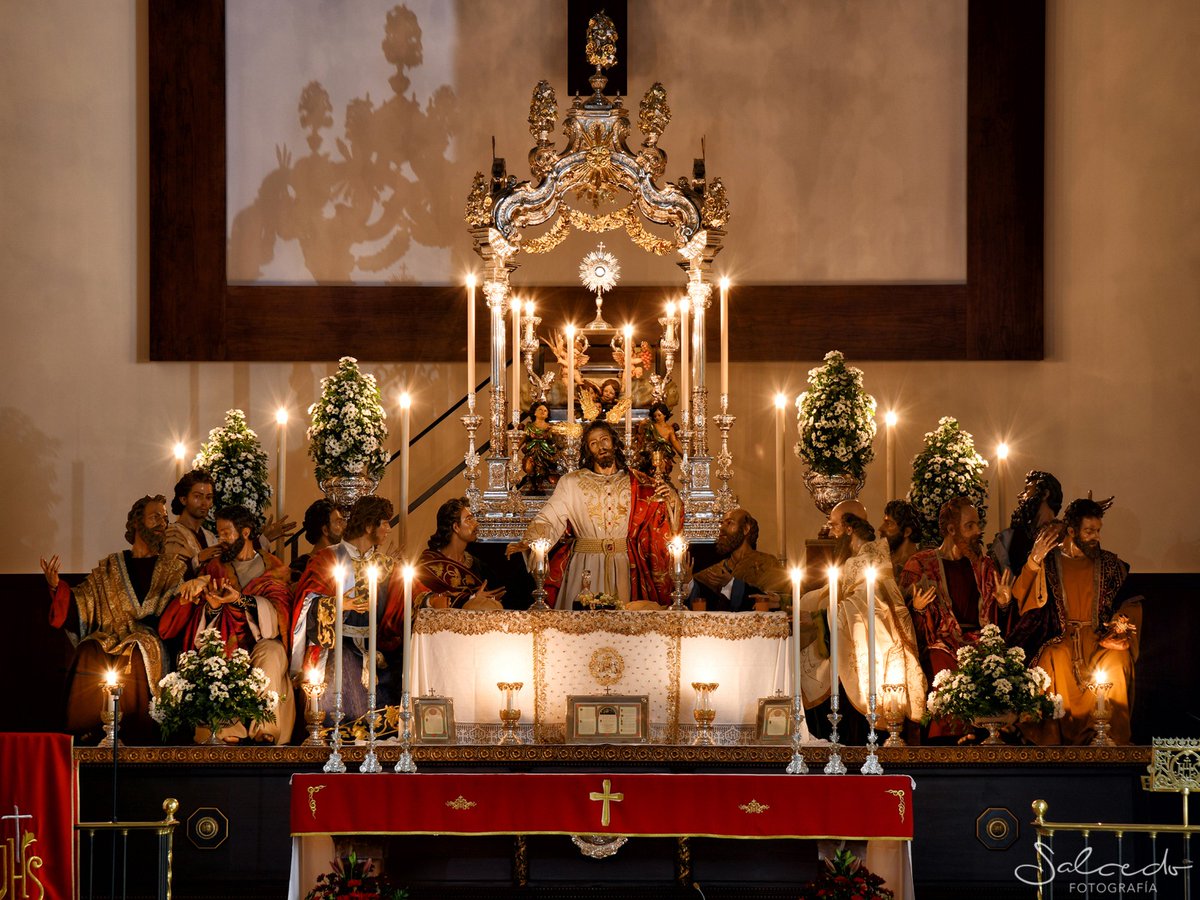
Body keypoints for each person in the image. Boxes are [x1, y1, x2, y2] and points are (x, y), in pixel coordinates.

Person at [41, 495, 204, 743]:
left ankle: (137, 733)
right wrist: (57, 588)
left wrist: (185, 599)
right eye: (155, 517)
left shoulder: (173, 567)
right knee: (88, 649)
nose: (162, 523)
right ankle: (87, 731)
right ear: (137, 523)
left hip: (149, 640)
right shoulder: (111, 566)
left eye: (164, 517)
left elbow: (176, 612)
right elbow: (83, 603)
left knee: (136, 651)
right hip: (110, 635)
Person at [507, 420, 681, 608]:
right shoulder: (571, 482)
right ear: (588, 450)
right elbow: (550, 517)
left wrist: (671, 500)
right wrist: (530, 541)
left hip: (623, 565)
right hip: (584, 564)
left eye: (604, 439)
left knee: (623, 628)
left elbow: (658, 519)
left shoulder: (638, 482)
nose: (601, 446)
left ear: (614, 442)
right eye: (593, 443)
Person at [1009, 497, 1141, 744]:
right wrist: (1033, 560)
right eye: (1089, 531)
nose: (1096, 537)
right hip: (1061, 640)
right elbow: (1020, 596)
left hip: (1101, 641)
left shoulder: (1111, 564)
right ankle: (1049, 740)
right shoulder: (1049, 562)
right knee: (1052, 658)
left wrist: (1120, 628)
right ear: (1071, 531)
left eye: (1098, 531)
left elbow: (1131, 602)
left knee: (1118, 661)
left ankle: (1110, 738)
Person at [160, 505, 296, 743]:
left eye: (226, 533)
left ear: (245, 532)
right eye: (219, 533)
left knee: (273, 653)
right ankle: (224, 730)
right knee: (215, 652)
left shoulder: (273, 567)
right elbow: (201, 614)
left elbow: (280, 613)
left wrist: (240, 600)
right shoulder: (213, 567)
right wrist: (213, 606)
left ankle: (265, 730)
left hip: (261, 639)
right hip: (225, 635)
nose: (220, 539)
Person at [799, 512, 927, 727]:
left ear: (849, 529)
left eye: (835, 527)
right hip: (857, 624)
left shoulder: (867, 558)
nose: (830, 533)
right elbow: (836, 593)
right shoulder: (859, 559)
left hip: (874, 629)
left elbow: (866, 602)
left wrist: (822, 616)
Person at [899, 497, 1013, 737]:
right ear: (951, 530)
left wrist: (1004, 604)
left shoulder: (985, 567)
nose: (978, 531)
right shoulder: (920, 565)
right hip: (942, 641)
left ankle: (989, 733)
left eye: (978, 524)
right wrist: (918, 608)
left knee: (996, 663)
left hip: (980, 640)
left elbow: (999, 620)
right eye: (970, 526)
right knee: (941, 662)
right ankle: (950, 737)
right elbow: (903, 620)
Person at [291, 496, 406, 719]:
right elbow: (306, 603)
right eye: (384, 522)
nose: (388, 529)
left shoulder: (386, 564)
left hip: (375, 646)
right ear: (368, 525)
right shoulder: (327, 558)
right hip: (336, 644)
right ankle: (345, 732)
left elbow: (410, 595)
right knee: (345, 664)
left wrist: (433, 601)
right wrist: (338, 604)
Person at [690, 507, 790, 611]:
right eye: (721, 524)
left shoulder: (768, 563)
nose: (721, 529)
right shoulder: (716, 570)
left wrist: (731, 584)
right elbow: (701, 603)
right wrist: (689, 581)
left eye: (729, 523)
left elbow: (780, 602)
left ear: (746, 529)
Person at [414, 498, 505, 609]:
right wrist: (472, 599)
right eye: (469, 519)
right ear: (456, 527)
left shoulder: (478, 565)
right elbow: (430, 600)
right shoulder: (428, 565)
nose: (476, 524)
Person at [991, 470, 1063, 576]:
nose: (1020, 496)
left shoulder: (1063, 534)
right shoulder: (1013, 537)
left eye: (1027, 490)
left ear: (1045, 494)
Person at [163, 469, 221, 574]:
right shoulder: (172, 534)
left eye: (208, 497)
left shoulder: (210, 537)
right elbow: (168, 576)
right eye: (197, 496)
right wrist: (197, 560)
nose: (204, 503)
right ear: (183, 499)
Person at [290, 499, 346, 580]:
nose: (344, 526)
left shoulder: (342, 562)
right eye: (339, 522)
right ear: (325, 530)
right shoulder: (302, 566)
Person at [633, 402, 684, 482]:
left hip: (664, 455)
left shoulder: (669, 429)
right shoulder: (651, 426)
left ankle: (661, 481)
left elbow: (675, 442)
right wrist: (641, 425)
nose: (657, 418)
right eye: (655, 416)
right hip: (650, 453)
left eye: (659, 415)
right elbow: (641, 435)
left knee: (661, 464)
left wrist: (683, 455)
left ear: (665, 415)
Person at [516, 400, 559, 494]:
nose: (543, 412)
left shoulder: (550, 427)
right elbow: (523, 438)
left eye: (545, 410)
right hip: (532, 450)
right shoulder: (529, 426)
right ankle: (533, 483)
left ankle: (540, 484)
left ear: (548, 414)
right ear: (534, 412)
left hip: (545, 451)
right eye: (540, 409)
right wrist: (516, 448)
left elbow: (554, 441)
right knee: (529, 466)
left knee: (544, 468)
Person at [880, 499, 922, 578]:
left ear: (907, 532)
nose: (881, 528)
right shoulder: (880, 561)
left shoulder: (921, 565)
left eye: (888, 523)